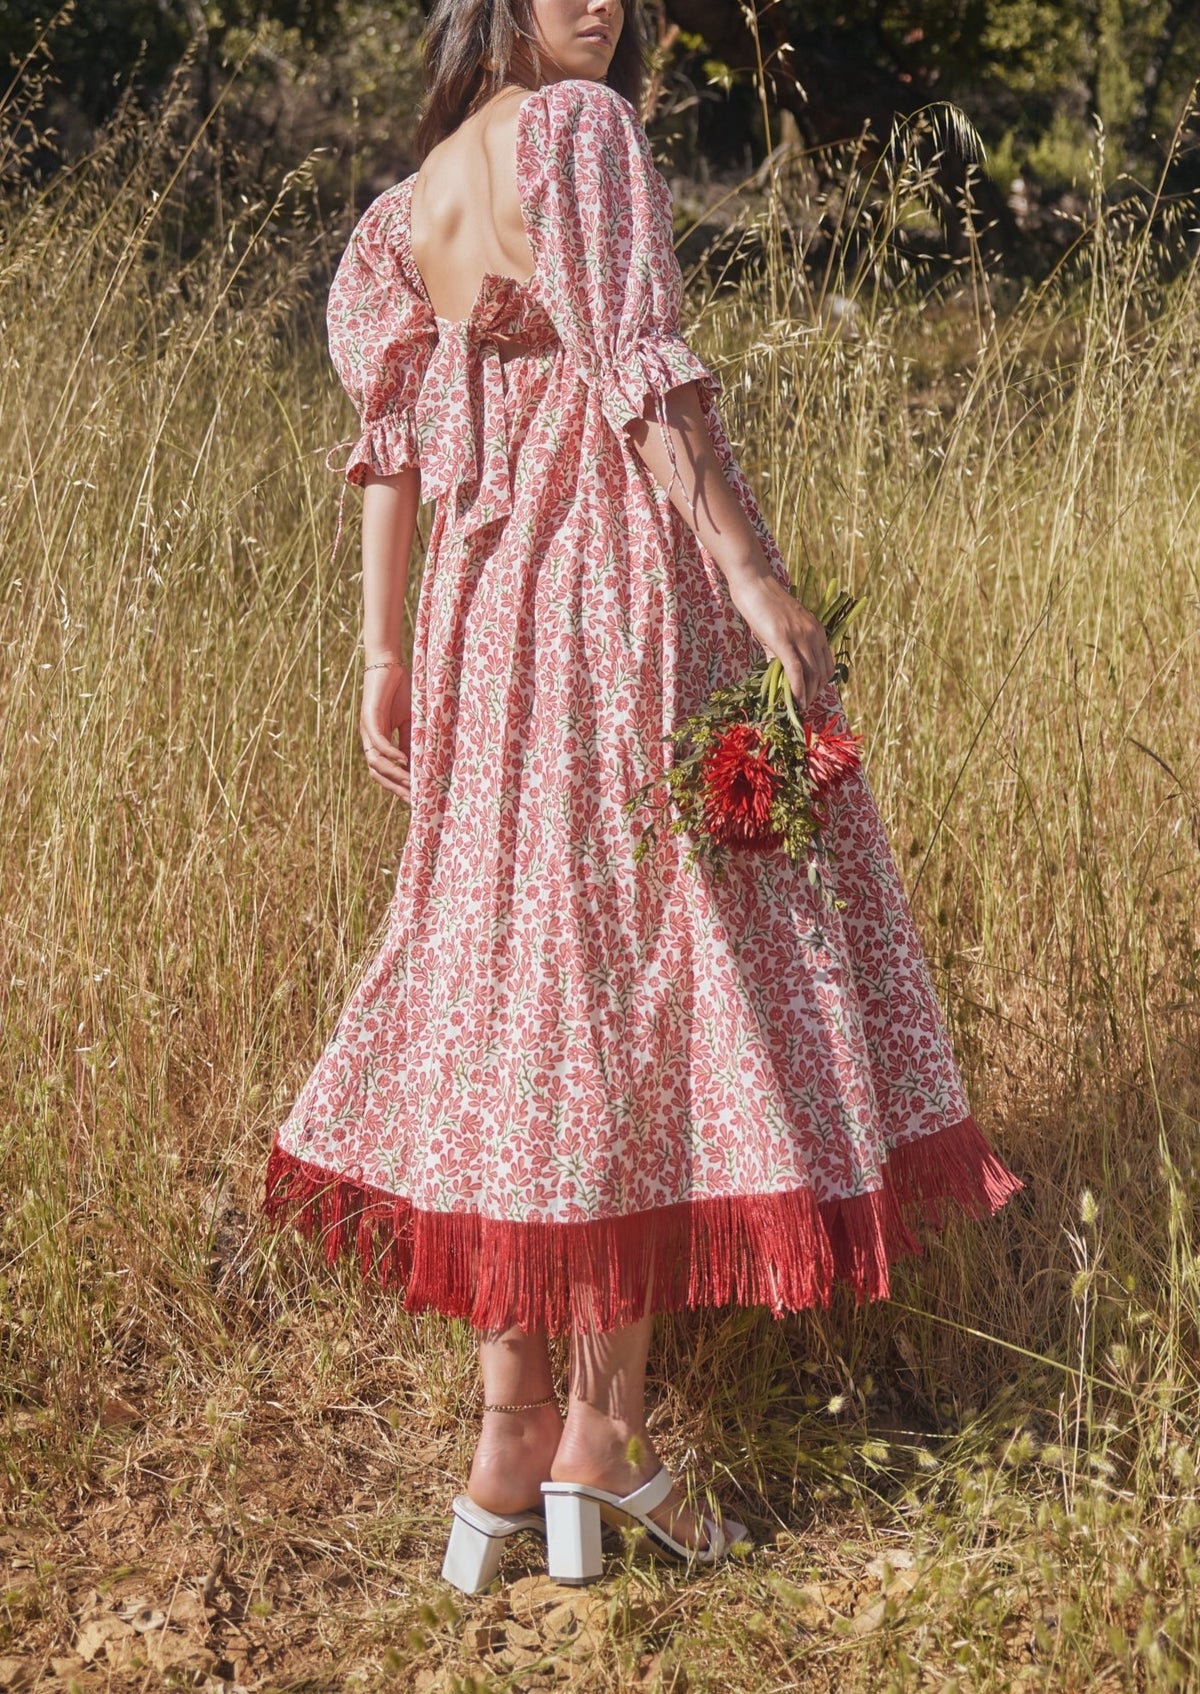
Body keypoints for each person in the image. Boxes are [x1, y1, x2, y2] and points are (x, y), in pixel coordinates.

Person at [263, 0, 1021, 1590]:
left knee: (517, 1002)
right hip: (607, 600)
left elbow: (390, 447)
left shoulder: (406, 207)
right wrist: (756, 579)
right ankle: (600, 1449)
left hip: (481, 628)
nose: (599, 2)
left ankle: (505, 1446)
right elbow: (647, 386)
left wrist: (382, 655)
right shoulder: (583, 135)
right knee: (628, 992)